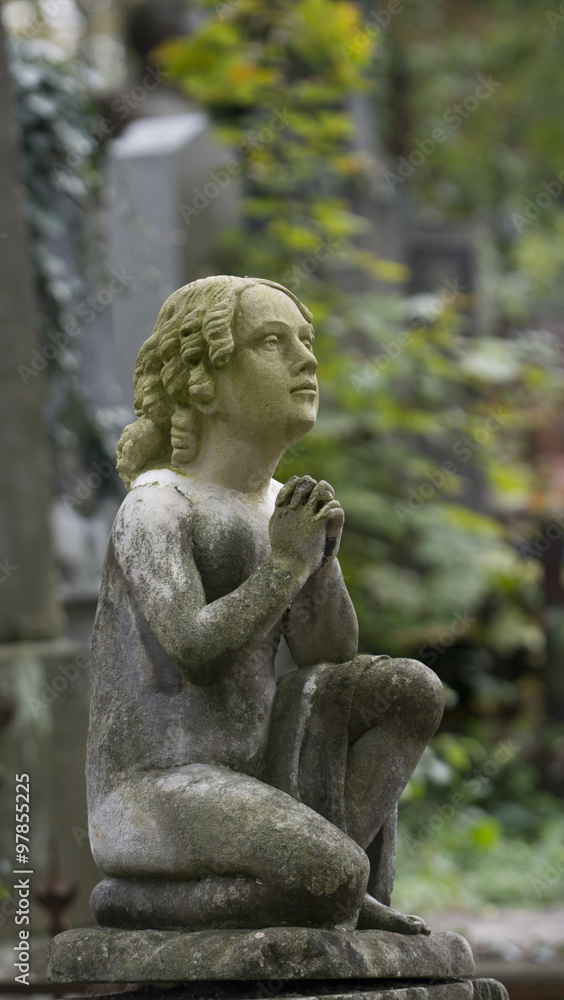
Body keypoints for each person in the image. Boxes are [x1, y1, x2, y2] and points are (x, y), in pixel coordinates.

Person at [86, 275, 444, 934]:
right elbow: (196, 654)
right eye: (273, 342)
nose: (306, 360)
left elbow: (329, 660)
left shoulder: (278, 505)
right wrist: (285, 564)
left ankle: (322, 879)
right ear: (205, 379)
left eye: (305, 342)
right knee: (330, 873)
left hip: (259, 768)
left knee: (410, 689)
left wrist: (321, 560)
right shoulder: (159, 505)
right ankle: (305, 886)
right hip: (159, 786)